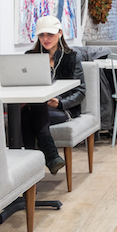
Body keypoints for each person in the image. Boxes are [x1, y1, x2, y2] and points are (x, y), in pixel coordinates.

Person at [21, 15, 86, 174]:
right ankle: (50, 157)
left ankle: (31, 169)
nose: (45, 39)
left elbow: (80, 92)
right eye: (42, 35)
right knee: (32, 108)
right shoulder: (30, 56)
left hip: (63, 109)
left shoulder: (72, 57)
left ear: (60, 33)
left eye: (50, 34)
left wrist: (60, 103)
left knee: (27, 112)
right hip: (37, 107)